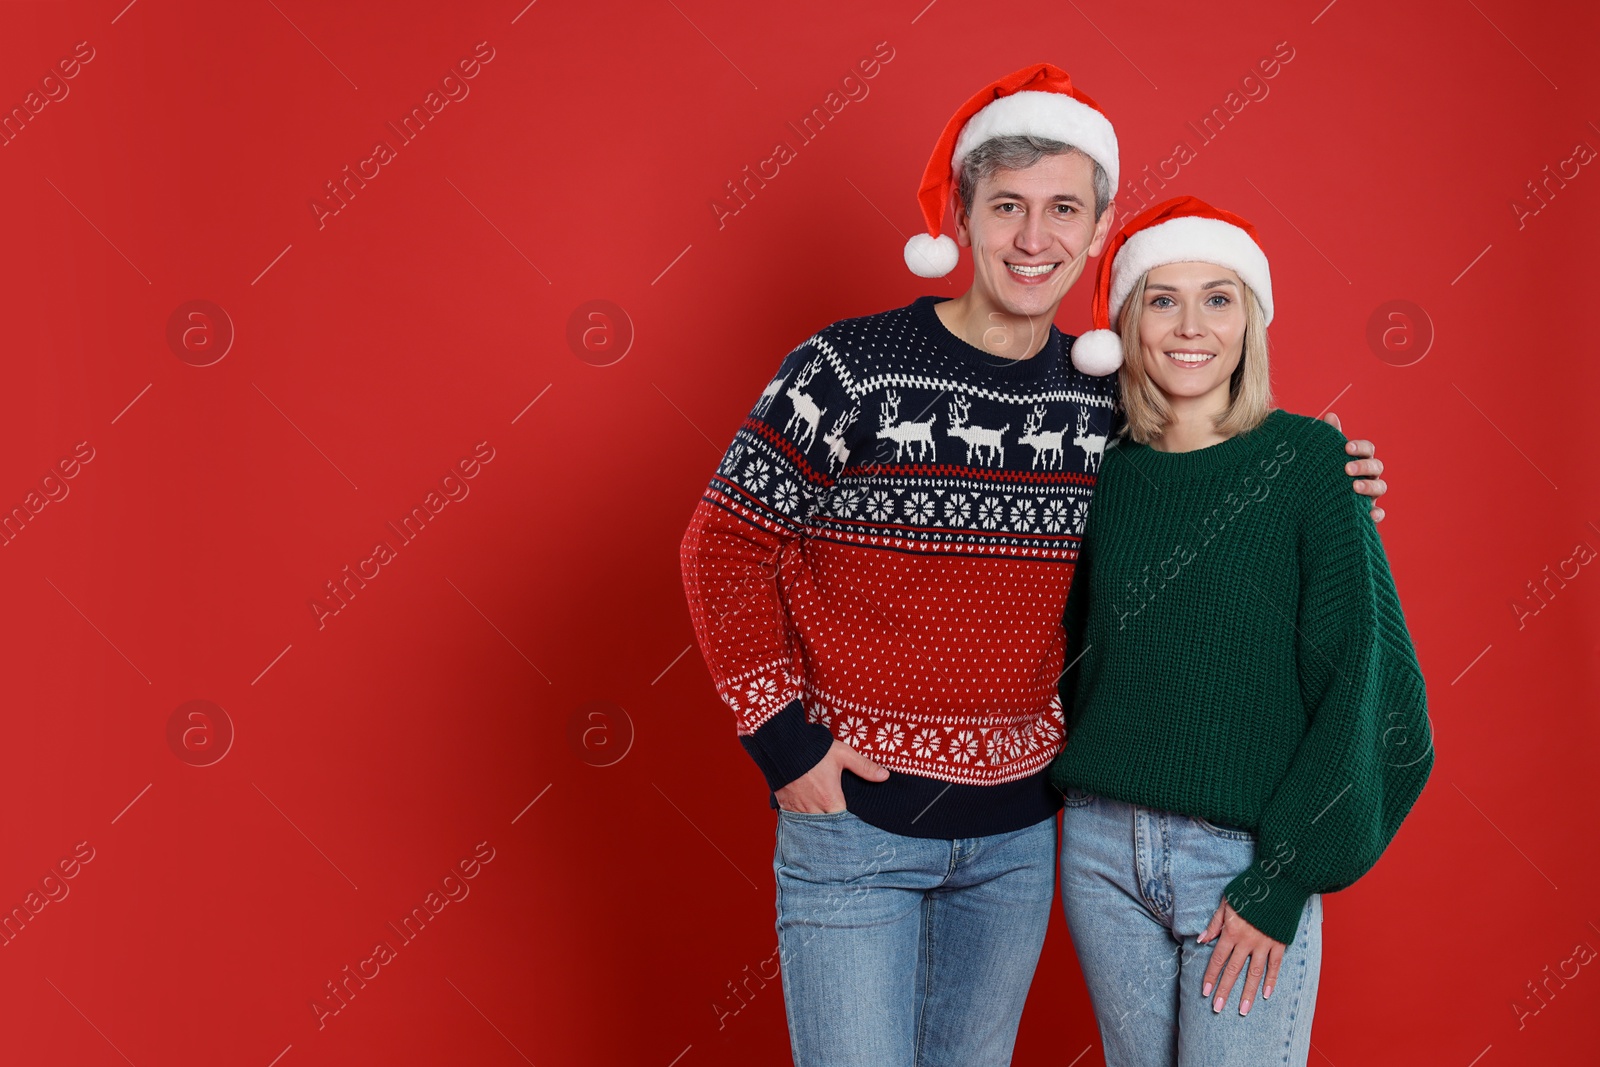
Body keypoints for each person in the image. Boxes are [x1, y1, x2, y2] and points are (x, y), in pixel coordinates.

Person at [679, 66, 1389, 1067]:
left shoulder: (1104, 411)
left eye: (1063, 209)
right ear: (961, 216)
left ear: (1098, 232)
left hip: (1015, 839)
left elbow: (1204, 474)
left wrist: (1329, 472)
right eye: (1006, 206)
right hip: (855, 831)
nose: (1031, 238)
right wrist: (782, 740)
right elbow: (722, 541)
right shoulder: (844, 367)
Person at [1049, 196, 1434, 1066]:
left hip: (1241, 857)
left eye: (1219, 298)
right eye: (1161, 299)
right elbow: (1058, 651)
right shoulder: (1098, 475)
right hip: (1102, 856)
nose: (1192, 326)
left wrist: (1284, 874)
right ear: (1124, 322)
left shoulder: (1308, 465)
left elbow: (1372, 695)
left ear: (1252, 319)